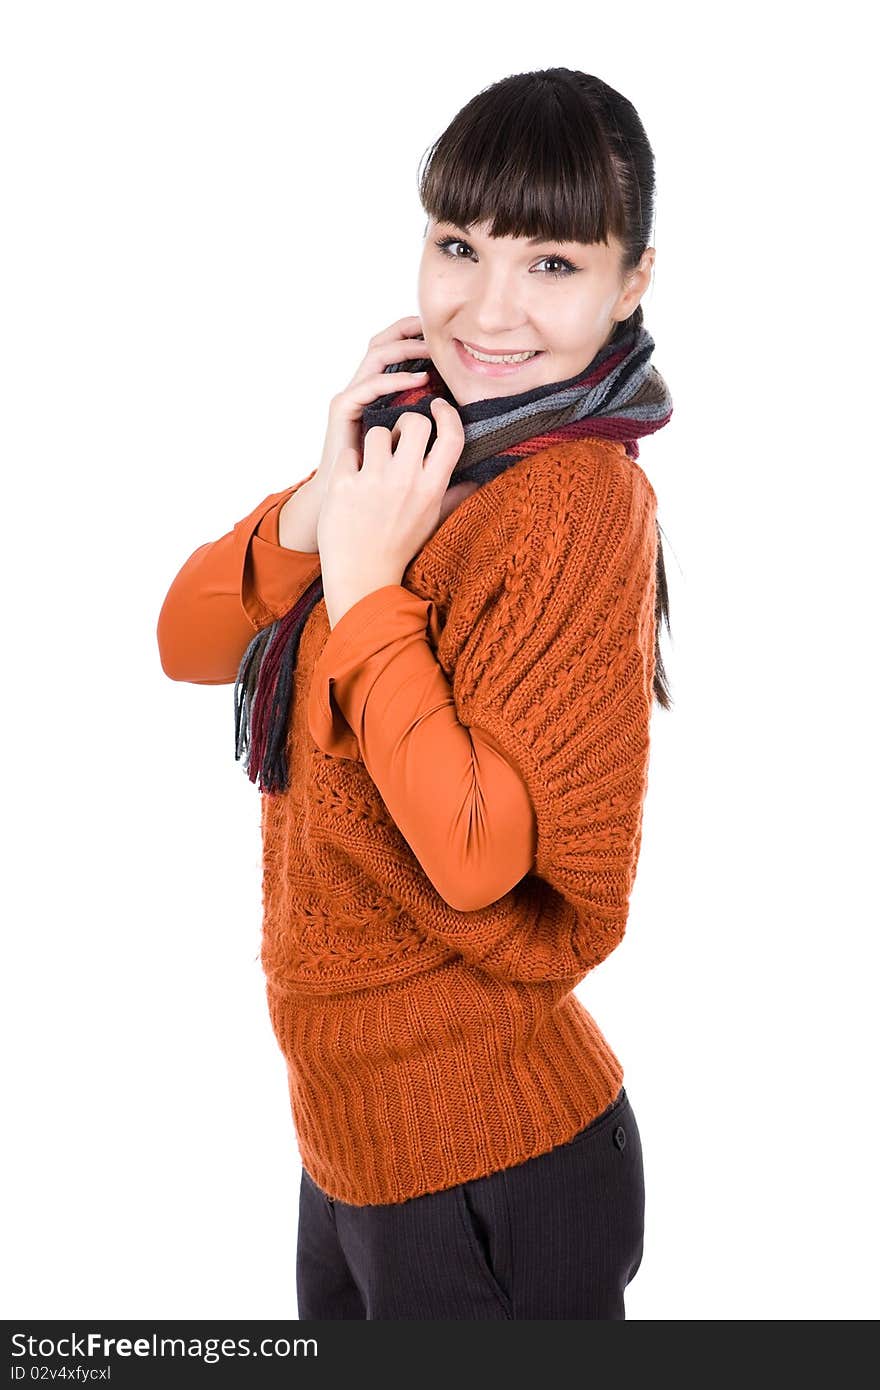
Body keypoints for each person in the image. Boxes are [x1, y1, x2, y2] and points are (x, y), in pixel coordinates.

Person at [157, 66, 673, 1320]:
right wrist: (319, 506)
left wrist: (371, 587)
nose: (487, 308)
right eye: (458, 246)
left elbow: (479, 857)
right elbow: (185, 640)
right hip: (352, 1140)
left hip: (490, 1157)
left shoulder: (579, 500)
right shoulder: (415, 447)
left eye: (551, 263)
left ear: (631, 281)